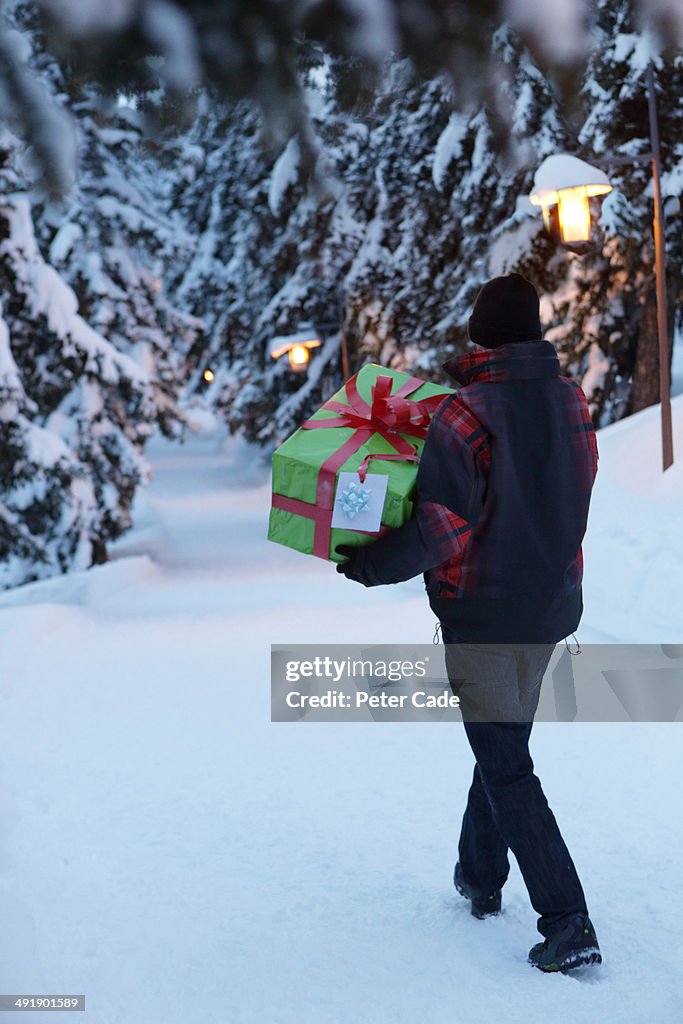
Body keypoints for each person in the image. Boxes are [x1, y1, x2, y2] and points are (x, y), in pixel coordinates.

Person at [335, 273, 601, 973]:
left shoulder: (463, 414)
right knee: (502, 741)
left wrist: (368, 563)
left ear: (480, 335)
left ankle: (567, 920)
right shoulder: (572, 400)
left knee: (505, 762)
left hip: (483, 611)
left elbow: (442, 529)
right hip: (549, 605)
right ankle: (478, 877)